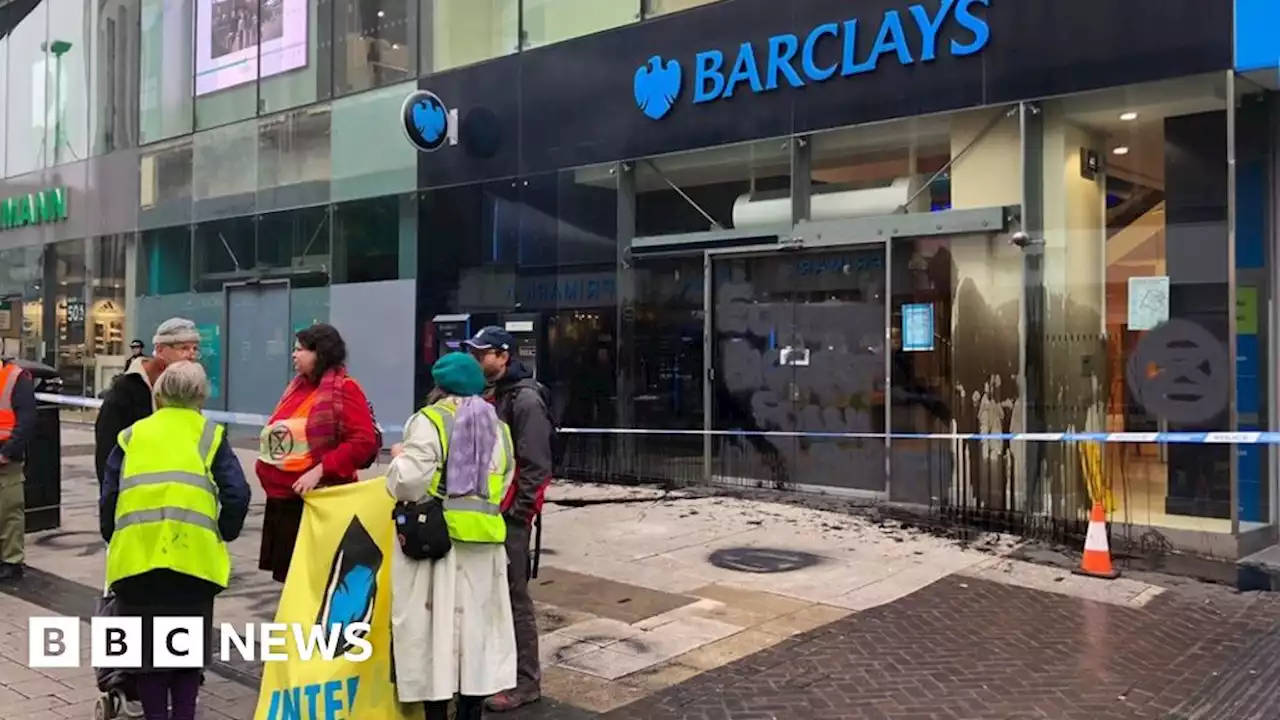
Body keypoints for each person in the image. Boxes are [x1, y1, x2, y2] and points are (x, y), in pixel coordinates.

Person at [100, 361, 251, 720]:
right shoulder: (209, 435)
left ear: (159, 394)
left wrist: (115, 536)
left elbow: (109, 497)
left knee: (149, 658)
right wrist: (224, 531)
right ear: (200, 397)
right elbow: (238, 493)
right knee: (184, 656)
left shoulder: (132, 436)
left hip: (136, 561)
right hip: (193, 561)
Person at [387, 352, 517, 720]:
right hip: (486, 545)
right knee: (475, 637)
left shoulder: (430, 421)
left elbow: (408, 483)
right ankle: (471, 712)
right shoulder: (499, 428)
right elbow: (504, 482)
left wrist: (398, 457)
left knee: (434, 636)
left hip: (439, 545)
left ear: (439, 387)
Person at [464, 327, 554, 712]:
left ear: (503, 356)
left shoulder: (524, 400)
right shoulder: (492, 394)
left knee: (515, 599)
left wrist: (519, 515)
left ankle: (526, 682)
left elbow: (536, 464)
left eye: (482, 352)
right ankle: (500, 671)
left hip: (509, 518)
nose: (476, 358)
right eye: (473, 351)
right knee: (492, 597)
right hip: (489, 514)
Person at [256, 323, 377, 583]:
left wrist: (321, 469)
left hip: (319, 500)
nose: (294, 355)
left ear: (320, 353)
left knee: (316, 581)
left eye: (300, 350)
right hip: (285, 501)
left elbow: (363, 441)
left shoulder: (344, 389)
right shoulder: (296, 388)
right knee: (291, 582)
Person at [95, 319, 201, 489]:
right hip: (135, 494)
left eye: (195, 349)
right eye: (184, 348)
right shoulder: (125, 390)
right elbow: (107, 454)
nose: (192, 355)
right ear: (160, 350)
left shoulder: (186, 390)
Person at [0, 357, 36, 580]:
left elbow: (27, 420)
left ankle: (11, 561)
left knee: (8, 511)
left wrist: (7, 452)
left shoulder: (16, 377)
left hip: (5, 456)